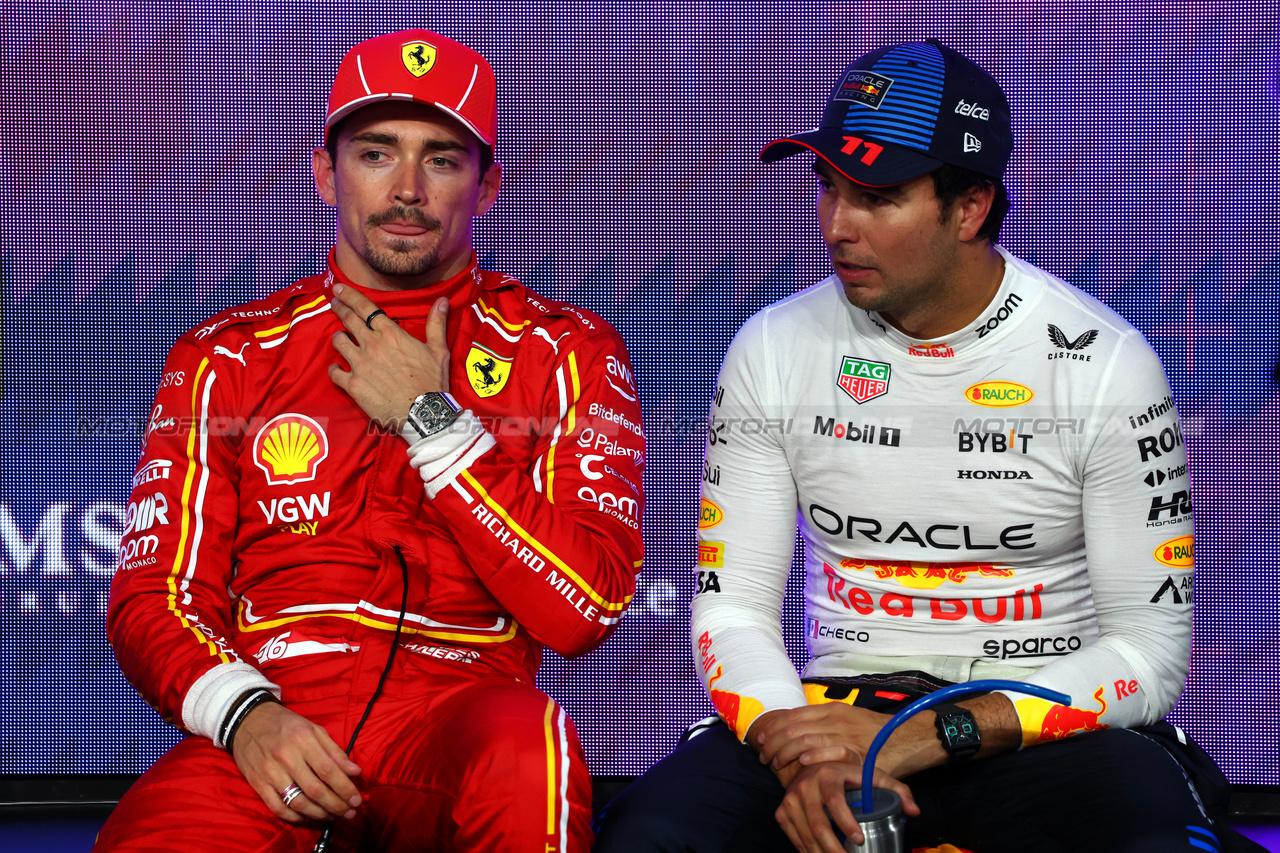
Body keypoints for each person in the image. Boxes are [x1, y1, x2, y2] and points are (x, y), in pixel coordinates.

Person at [595, 40, 1260, 853]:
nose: (837, 226)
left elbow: (1147, 653)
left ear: (970, 207)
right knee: (648, 836)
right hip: (830, 717)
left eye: (877, 196)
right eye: (829, 189)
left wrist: (923, 737)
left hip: (1037, 721)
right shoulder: (772, 346)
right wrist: (796, 739)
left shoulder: (1104, 364)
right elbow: (732, 607)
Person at [97, 29, 645, 853]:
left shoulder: (566, 351)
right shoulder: (228, 354)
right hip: (274, 718)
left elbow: (585, 605)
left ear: (488, 186)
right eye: (377, 153)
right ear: (327, 173)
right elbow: (153, 592)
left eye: (443, 159)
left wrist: (435, 421)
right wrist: (246, 714)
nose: (408, 189)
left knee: (530, 745)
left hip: (460, 716)